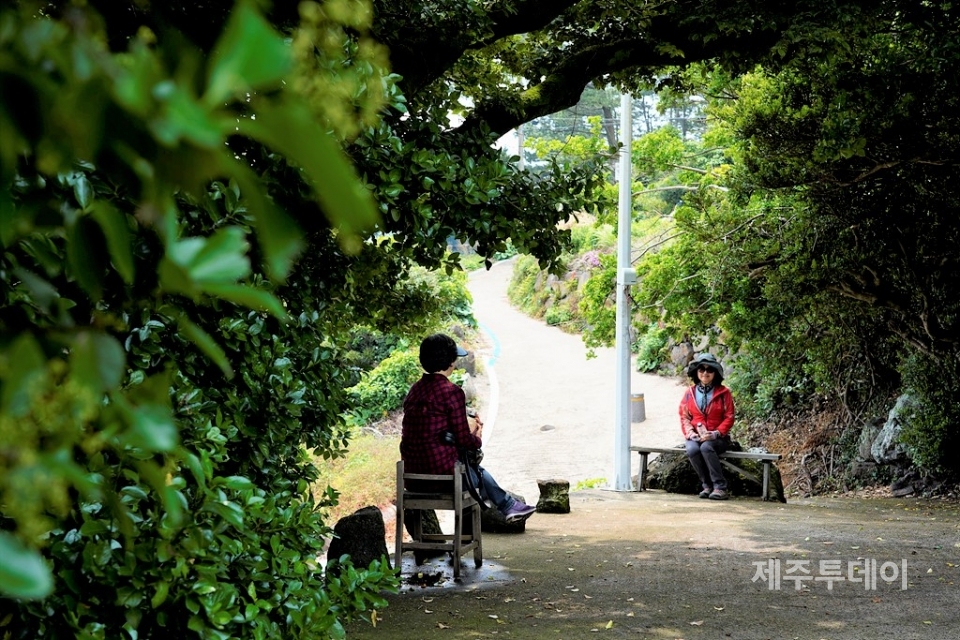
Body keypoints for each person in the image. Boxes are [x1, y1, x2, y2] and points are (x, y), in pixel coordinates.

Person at [400, 333, 536, 522]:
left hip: (412, 479)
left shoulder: (414, 391)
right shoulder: (451, 392)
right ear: (451, 362)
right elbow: (465, 440)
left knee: (471, 469)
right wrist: (477, 434)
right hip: (445, 480)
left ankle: (506, 505)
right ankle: (506, 505)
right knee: (474, 469)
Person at [678, 353, 735, 500]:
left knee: (706, 447)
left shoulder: (724, 393)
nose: (705, 373)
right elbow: (684, 416)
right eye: (701, 369)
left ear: (715, 373)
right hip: (696, 435)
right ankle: (706, 485)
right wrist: (691, 433)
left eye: (709, 370)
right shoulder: (689, 393)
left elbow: (729, 417)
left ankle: (720, 487)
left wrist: (716, 433)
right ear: (697, 373)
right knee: (692, 449)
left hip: (718, 438)